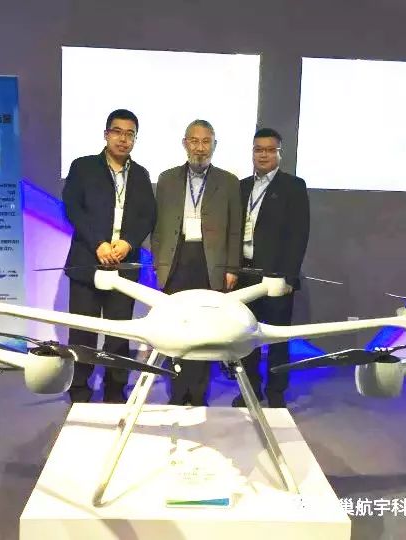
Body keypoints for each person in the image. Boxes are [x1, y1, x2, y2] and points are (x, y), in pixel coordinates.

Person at [62, 109, 156, 403]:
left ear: (135, 139)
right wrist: (99, 244)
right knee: (84, 332)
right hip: (88, 261)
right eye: (117, 132)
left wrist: (128, 242)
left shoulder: (141, 174)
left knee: (119, 333)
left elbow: (148, 216)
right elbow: (73, 208)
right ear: (106, 135)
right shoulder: (83, 167)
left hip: (123, 265)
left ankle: (115, 389)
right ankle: (79, 388)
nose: (123, 139)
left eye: (130, 134)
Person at [152, 119, 241, 406]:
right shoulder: (167, 179)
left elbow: (235, 229)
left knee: (205, 328)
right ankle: (177, 393)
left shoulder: (229, 182)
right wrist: (157, 261)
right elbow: (158, 226)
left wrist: (231, 268)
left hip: (210, 261)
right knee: (176, 327)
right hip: (176, 259)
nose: (200, 148)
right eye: (194, 141)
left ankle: (199, 393)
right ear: (184, 143)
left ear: (215, 145)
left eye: (206, 142)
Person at [232, 128, 310, 408]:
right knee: (246, 337)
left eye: (269, 150)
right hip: (245, 274)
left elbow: (299, 234)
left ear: (279, 153)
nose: (263, 155)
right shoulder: (241, 187)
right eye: (258, 149)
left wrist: (288, 276)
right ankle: (250, 390)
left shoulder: (293, 186)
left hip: (276, 275)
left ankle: (276, 392)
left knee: (277, 338)